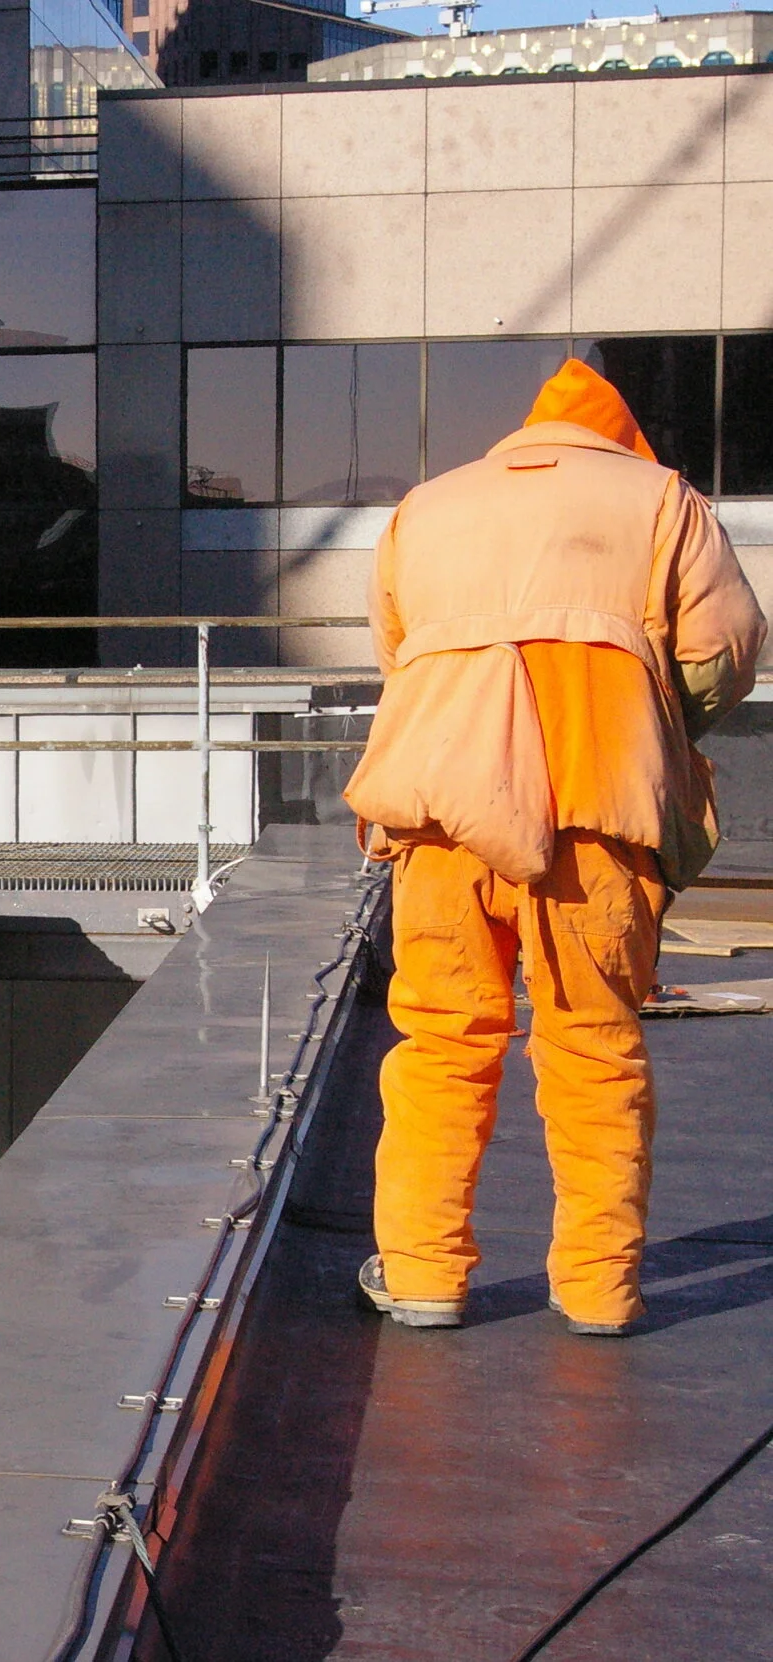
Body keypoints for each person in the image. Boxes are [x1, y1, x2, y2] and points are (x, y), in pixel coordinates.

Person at [344, 359, 764, 1336]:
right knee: (591, 1045)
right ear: (619, 440)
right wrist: (655, 724)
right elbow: (724, 651)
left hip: (441, 820)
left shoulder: (426, 507)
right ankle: (598, 1288)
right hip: (594, 817)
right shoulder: (661, 500)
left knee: (442, 1041)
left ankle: (420, 1274)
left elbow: (396, 657)